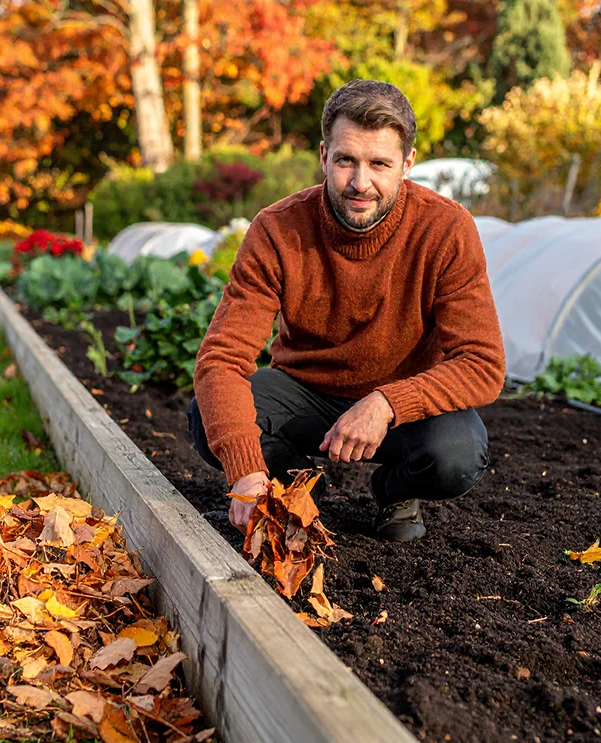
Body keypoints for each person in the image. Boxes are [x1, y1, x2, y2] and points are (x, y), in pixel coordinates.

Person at [186, 79, 505, 542]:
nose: (361, 183)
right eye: (345, 161)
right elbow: (221, 360)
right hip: (305, 393)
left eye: (379, 164)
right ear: (323, 156)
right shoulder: (278, 230)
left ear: (407, 165)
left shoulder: (446, 229)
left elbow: (483, 364)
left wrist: (387, 403)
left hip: (401, 409)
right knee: (209, 416)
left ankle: (392, 490)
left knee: (457, 453)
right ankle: (295, 488)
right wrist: (247, 472)